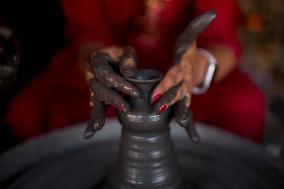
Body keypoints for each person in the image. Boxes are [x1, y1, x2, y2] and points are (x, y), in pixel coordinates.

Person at [4, 0, 264, 142]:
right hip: (116, 64)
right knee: (32, 112)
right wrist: (98, 60)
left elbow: (222, 39)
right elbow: (87, 33)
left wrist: (194, 68)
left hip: (183, 67)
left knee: (245, 107)